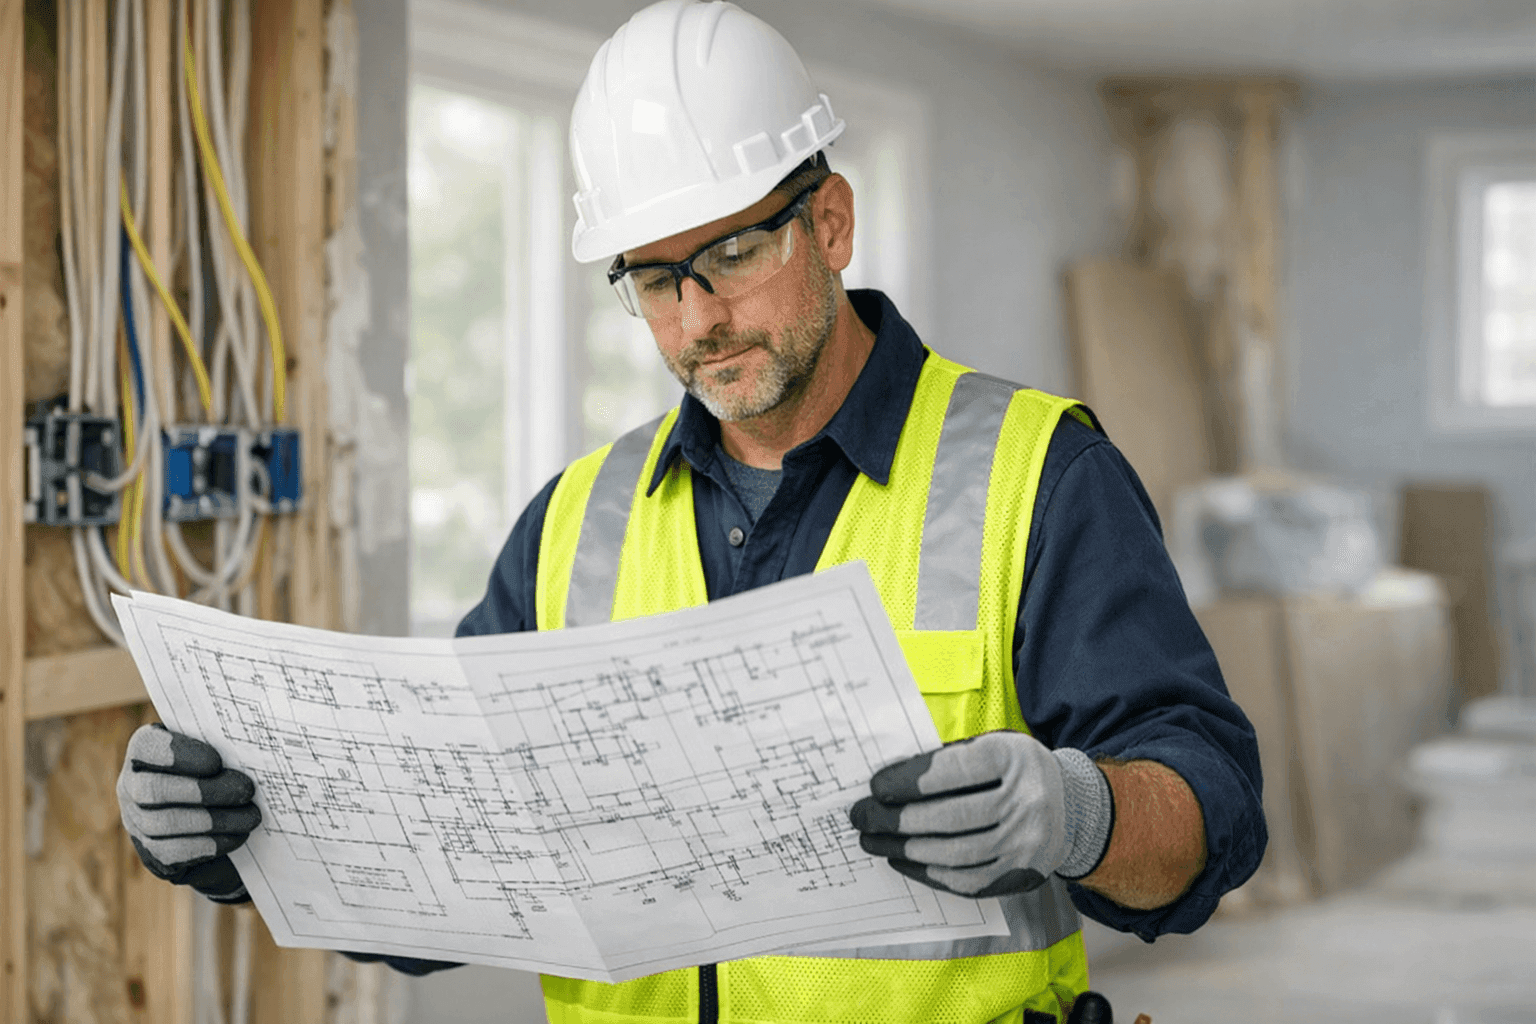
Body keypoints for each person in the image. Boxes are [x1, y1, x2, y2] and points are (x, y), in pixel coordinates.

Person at [117, 1, 1266, 1021]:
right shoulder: (573, 522)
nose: (698, 319)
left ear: (830, 222)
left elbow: (1214, 812)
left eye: (732, 251)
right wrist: (242, 838)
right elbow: (458, 866)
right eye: (656, 279)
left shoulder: (1036, 473)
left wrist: (1077, 812)